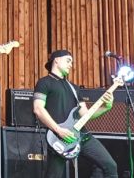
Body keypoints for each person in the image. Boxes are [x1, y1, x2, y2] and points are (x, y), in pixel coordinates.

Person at [33, 50, 117, 178]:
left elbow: (86, 115)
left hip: (82, 135)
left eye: (71, 62)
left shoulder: (74, 88)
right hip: (59, 138)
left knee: (110, 166)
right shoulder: (44, 82)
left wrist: (106, 107)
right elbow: (38, 109)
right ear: (56, 60)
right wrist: (58, 130)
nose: (71, 65)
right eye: (68, 61)